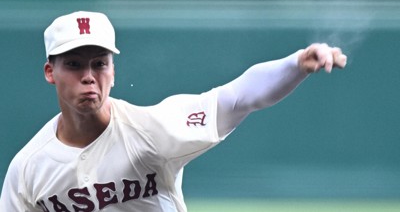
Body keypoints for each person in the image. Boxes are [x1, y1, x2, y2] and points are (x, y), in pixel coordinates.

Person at [0, 11, 347, 212]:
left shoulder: (151, 130)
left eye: (100, 63)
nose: (89, 76)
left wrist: (297, 63)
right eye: (74, 64)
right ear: (50, 72)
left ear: (113, 71)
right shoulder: (29, 168)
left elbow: (237, 98)